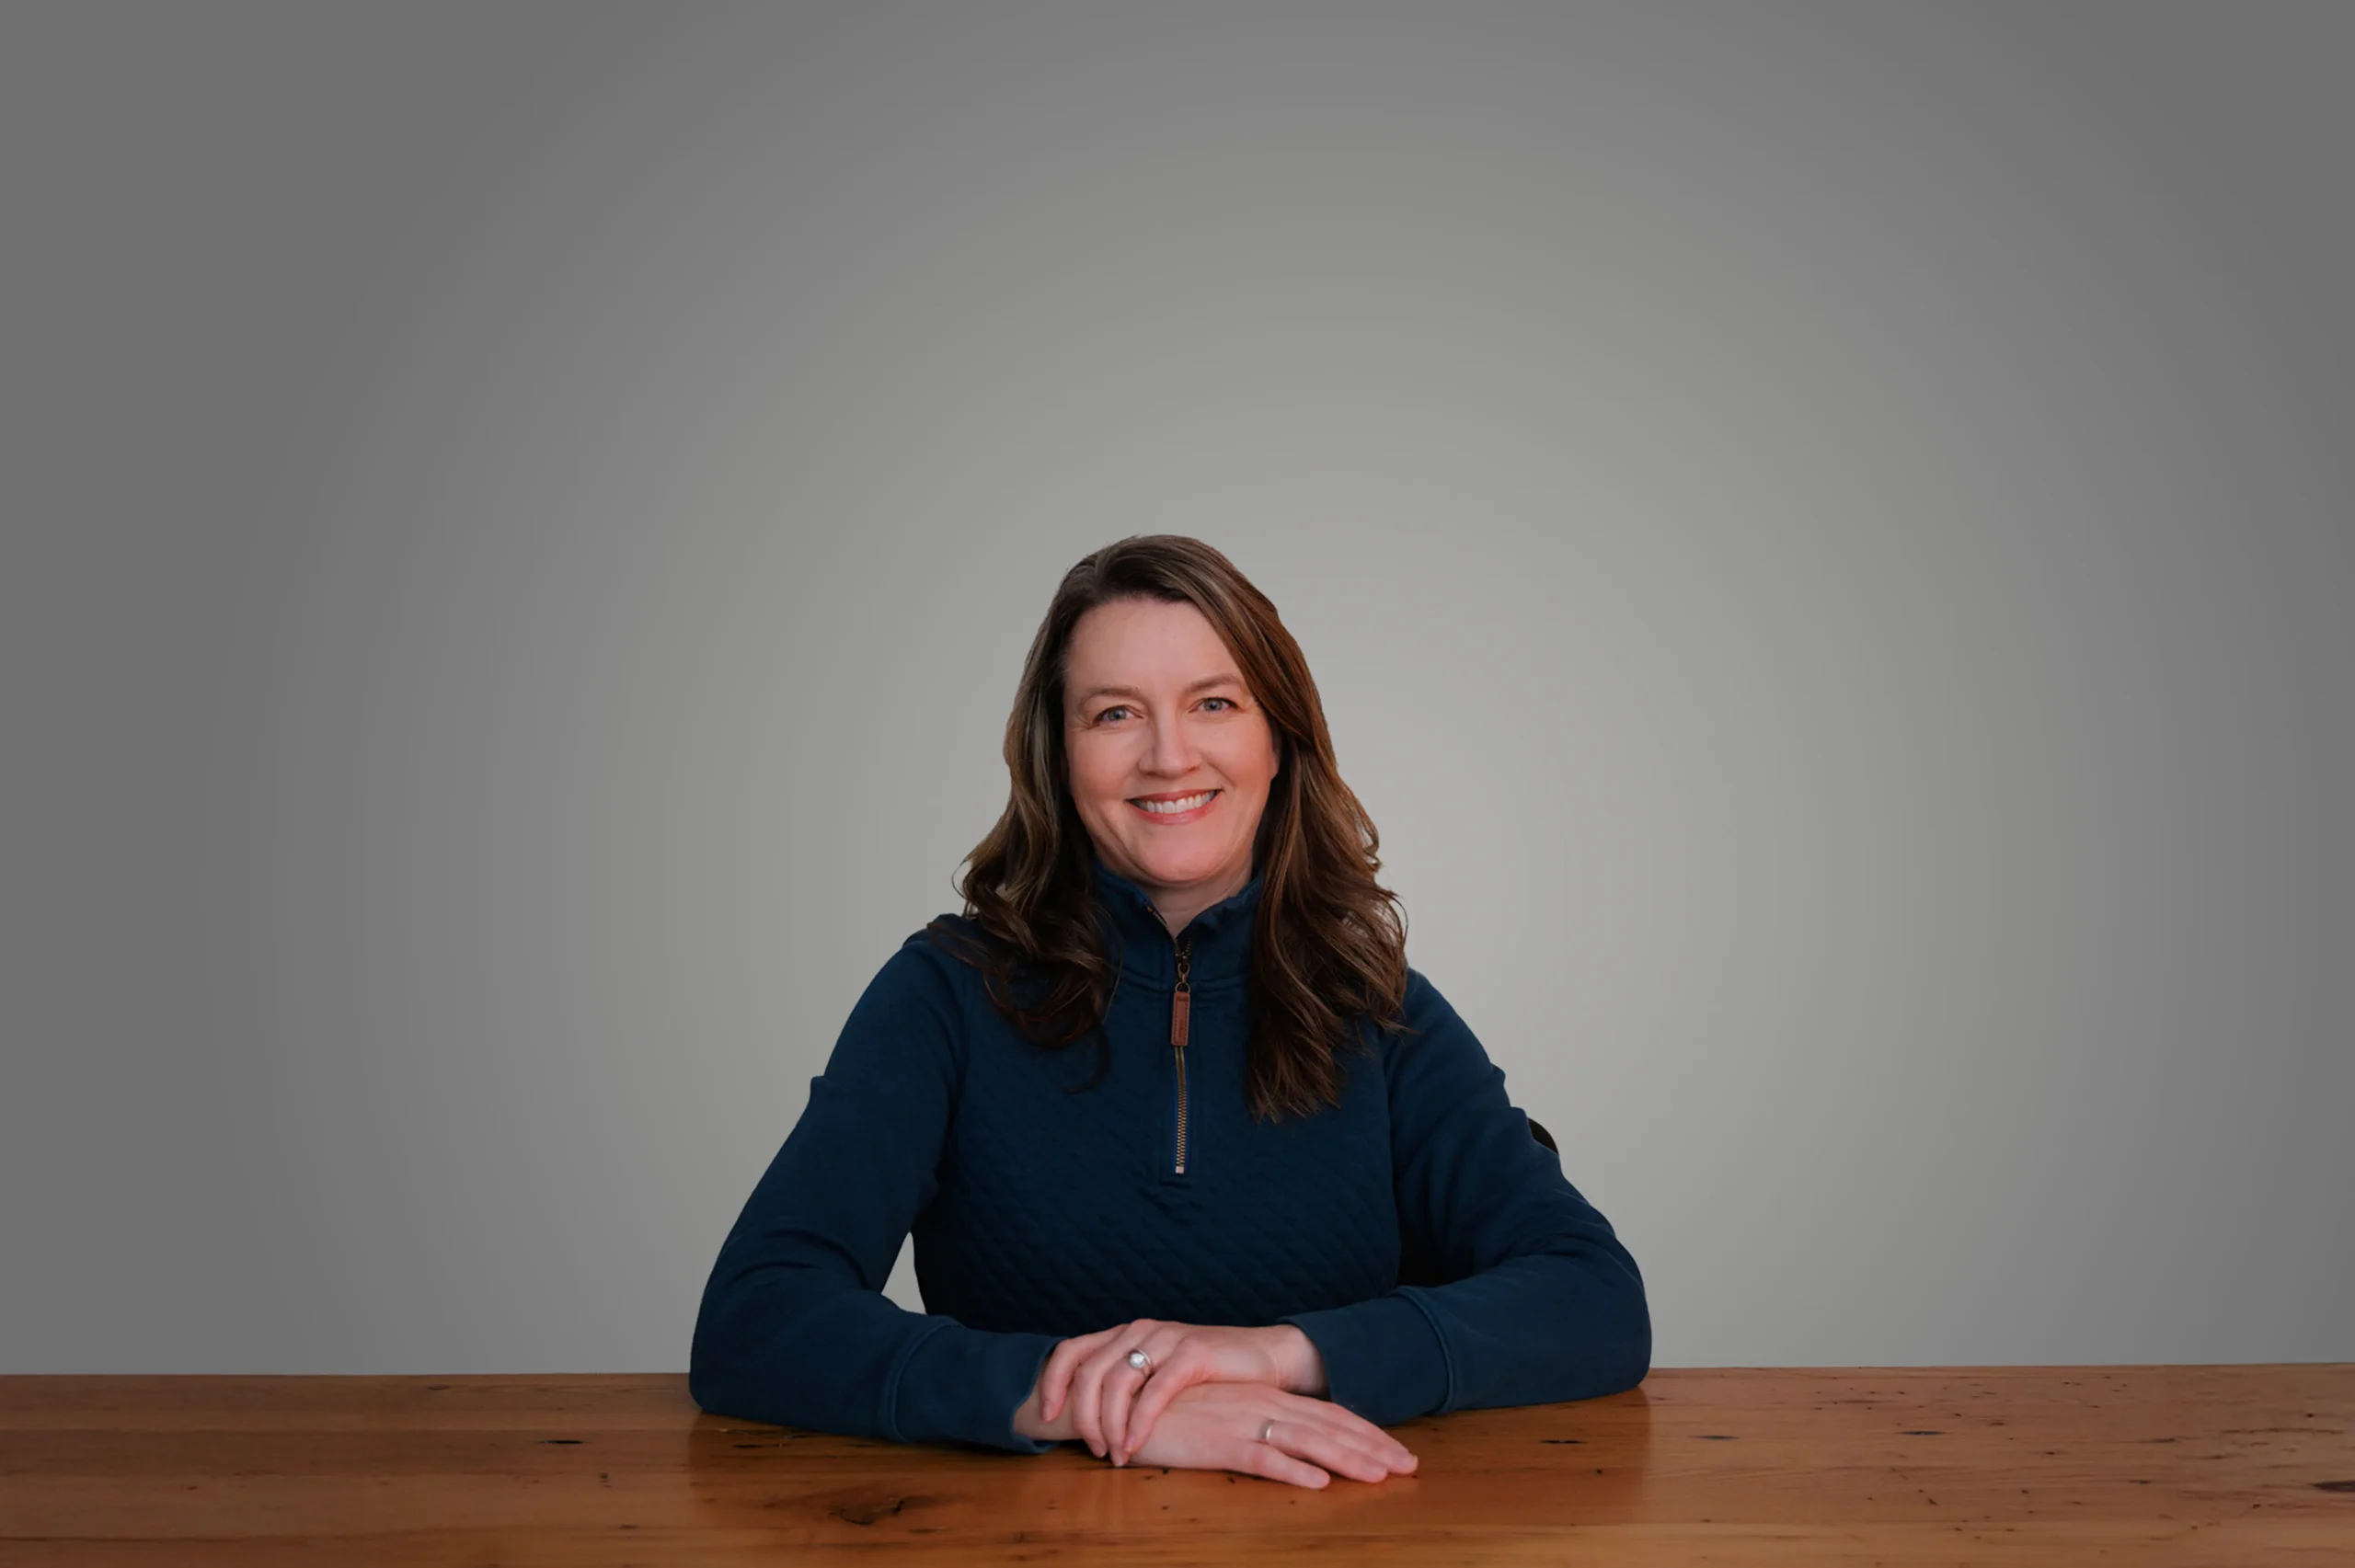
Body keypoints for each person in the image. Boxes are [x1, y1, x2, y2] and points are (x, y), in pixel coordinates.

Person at [689, 535, 1649, 1488]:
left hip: (1338, 1541)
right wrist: (1100, 1407)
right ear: (1059, 752)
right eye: (1114, 713)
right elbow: (755, 1317)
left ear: (1278, 739)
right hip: (1015, 1549)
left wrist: (1277, 1357)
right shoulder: (945, 993)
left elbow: (1593, 1299)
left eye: (1214, 703)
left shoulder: (1378, 1009)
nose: (1167, 754)